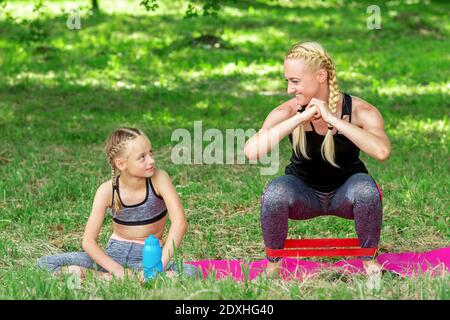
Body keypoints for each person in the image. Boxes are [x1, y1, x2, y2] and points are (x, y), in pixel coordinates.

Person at [244, 42, 391, 277]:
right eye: (287, 81)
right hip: (303, 195)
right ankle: (273, 266)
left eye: (295, 81)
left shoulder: (360, 110)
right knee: (275, 192)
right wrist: (298, 120)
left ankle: (370, 261)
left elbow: (382, 152)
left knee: (366, 189)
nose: (290, 89)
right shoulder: (286, 112)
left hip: (347, 193)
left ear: (320, 76)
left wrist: (334, 119)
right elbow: (252, 151)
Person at [38, 127, 199, 282]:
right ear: (121, 164)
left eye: (151, 153)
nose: (151, 160)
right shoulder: (107, 190)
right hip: (113, 257)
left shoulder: (159, 179)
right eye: (142, 157)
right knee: (46, 263)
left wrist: (158, 267)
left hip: (149, 258)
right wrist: (118, 270)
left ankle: (110, 279)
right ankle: (110, 277)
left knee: (191, 271)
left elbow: (180, 223)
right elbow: (88, 241)